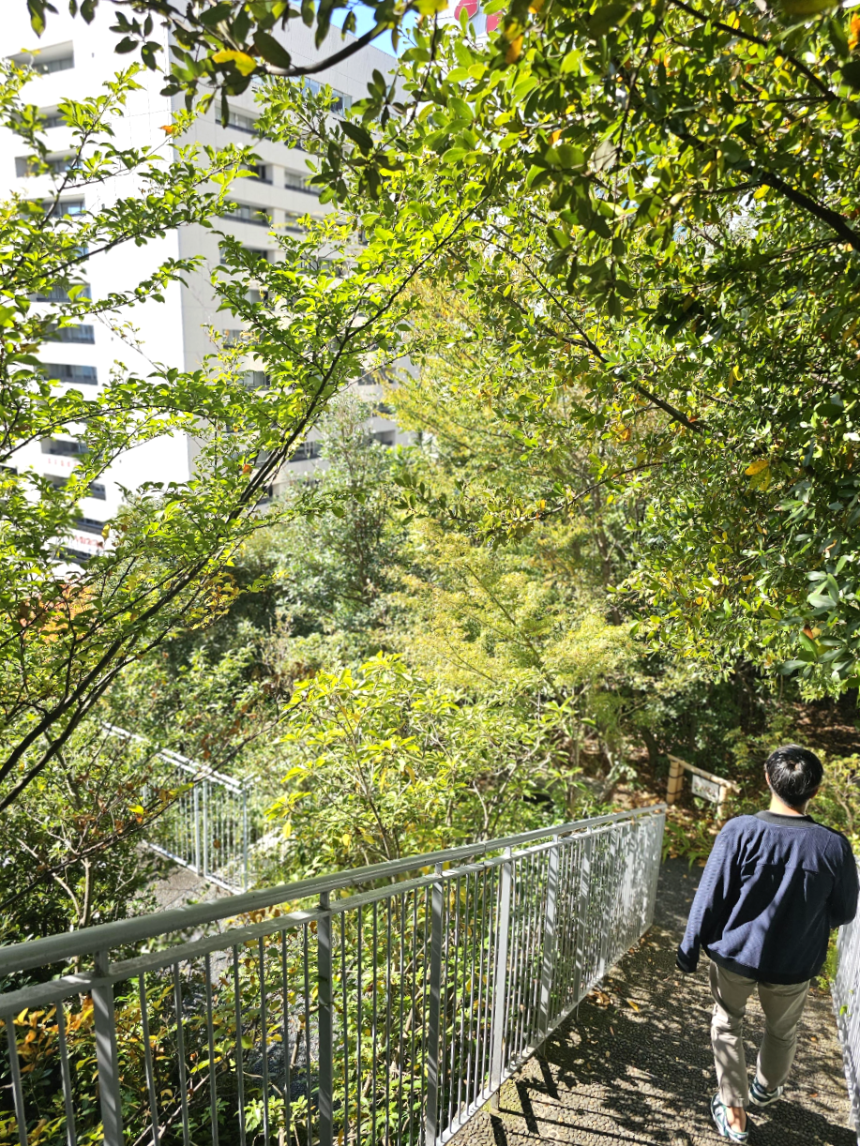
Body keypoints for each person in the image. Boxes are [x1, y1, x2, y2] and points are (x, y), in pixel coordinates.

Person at [676, 744, 858, 1142]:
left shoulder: (740, 830)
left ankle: (735, 1115)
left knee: (726, 1024)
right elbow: (844, 912)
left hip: (735, 955)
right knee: (782, 1029)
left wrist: (690, 948)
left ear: (767, 778)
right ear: (816, 790)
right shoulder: (833, 846)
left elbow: (710, 895)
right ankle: (767, 1088)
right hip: (794, 963)